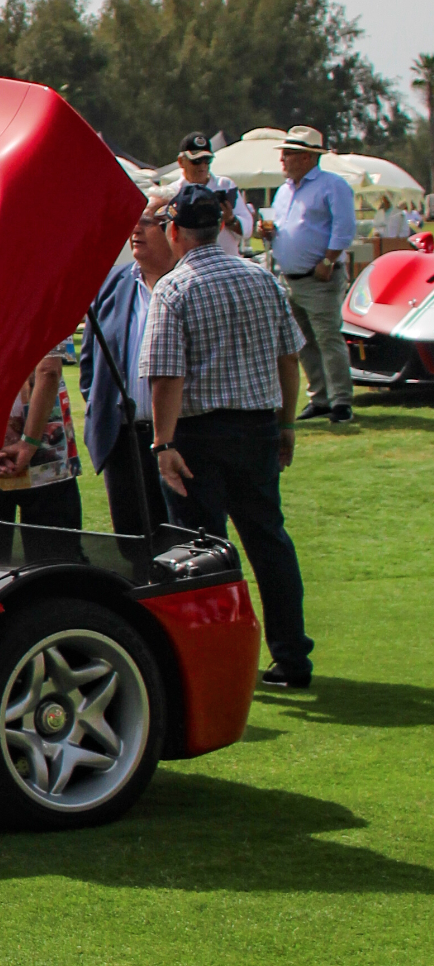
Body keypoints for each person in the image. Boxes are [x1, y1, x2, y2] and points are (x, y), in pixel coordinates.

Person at [141, 184, 313, 688]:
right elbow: (289, 357)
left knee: (200, 552)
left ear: (174, 231)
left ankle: (211, 666)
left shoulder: (175, 287)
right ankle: (291, 656)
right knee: (269, 542)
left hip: (197, 434)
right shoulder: (261, 278)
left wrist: (164, 444)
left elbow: (166, 376)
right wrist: (285, 422)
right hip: (257, 425)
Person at [82, 192, 177, 536]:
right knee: (131, 538)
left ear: (173, 230)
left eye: (148, 222)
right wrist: (99, 406)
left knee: (182, 537)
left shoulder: (190, 284)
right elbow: (91, 360)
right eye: (133, 221)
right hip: (122, 438)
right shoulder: (113, 283)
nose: (135, 230)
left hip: (182, 436)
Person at [254, 125, 356, 423]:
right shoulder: (284, 191)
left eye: (289, 154)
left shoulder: (331, 185)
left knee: (327, 338)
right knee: (304, 342)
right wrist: (267, 233)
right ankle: (320, 398)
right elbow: (287, 229)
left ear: (309, 158)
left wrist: (328, 259)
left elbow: (344, 227)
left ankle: (341, 400)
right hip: (291, 278)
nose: (282, 159)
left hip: (319, 276)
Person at [0, 340, 84, 552]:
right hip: (47, 465)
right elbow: (49, 370)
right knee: (55, 572)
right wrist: (28, 443)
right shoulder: (45, 305)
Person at [164, 133, 250, 256]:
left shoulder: (226, 186)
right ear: (181, 162)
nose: (203, 166)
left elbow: (247, 228)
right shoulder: (171, 192)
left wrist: (230, 220)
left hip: (226, 261)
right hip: (189, 265)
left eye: (207, 160)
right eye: (196, 161)